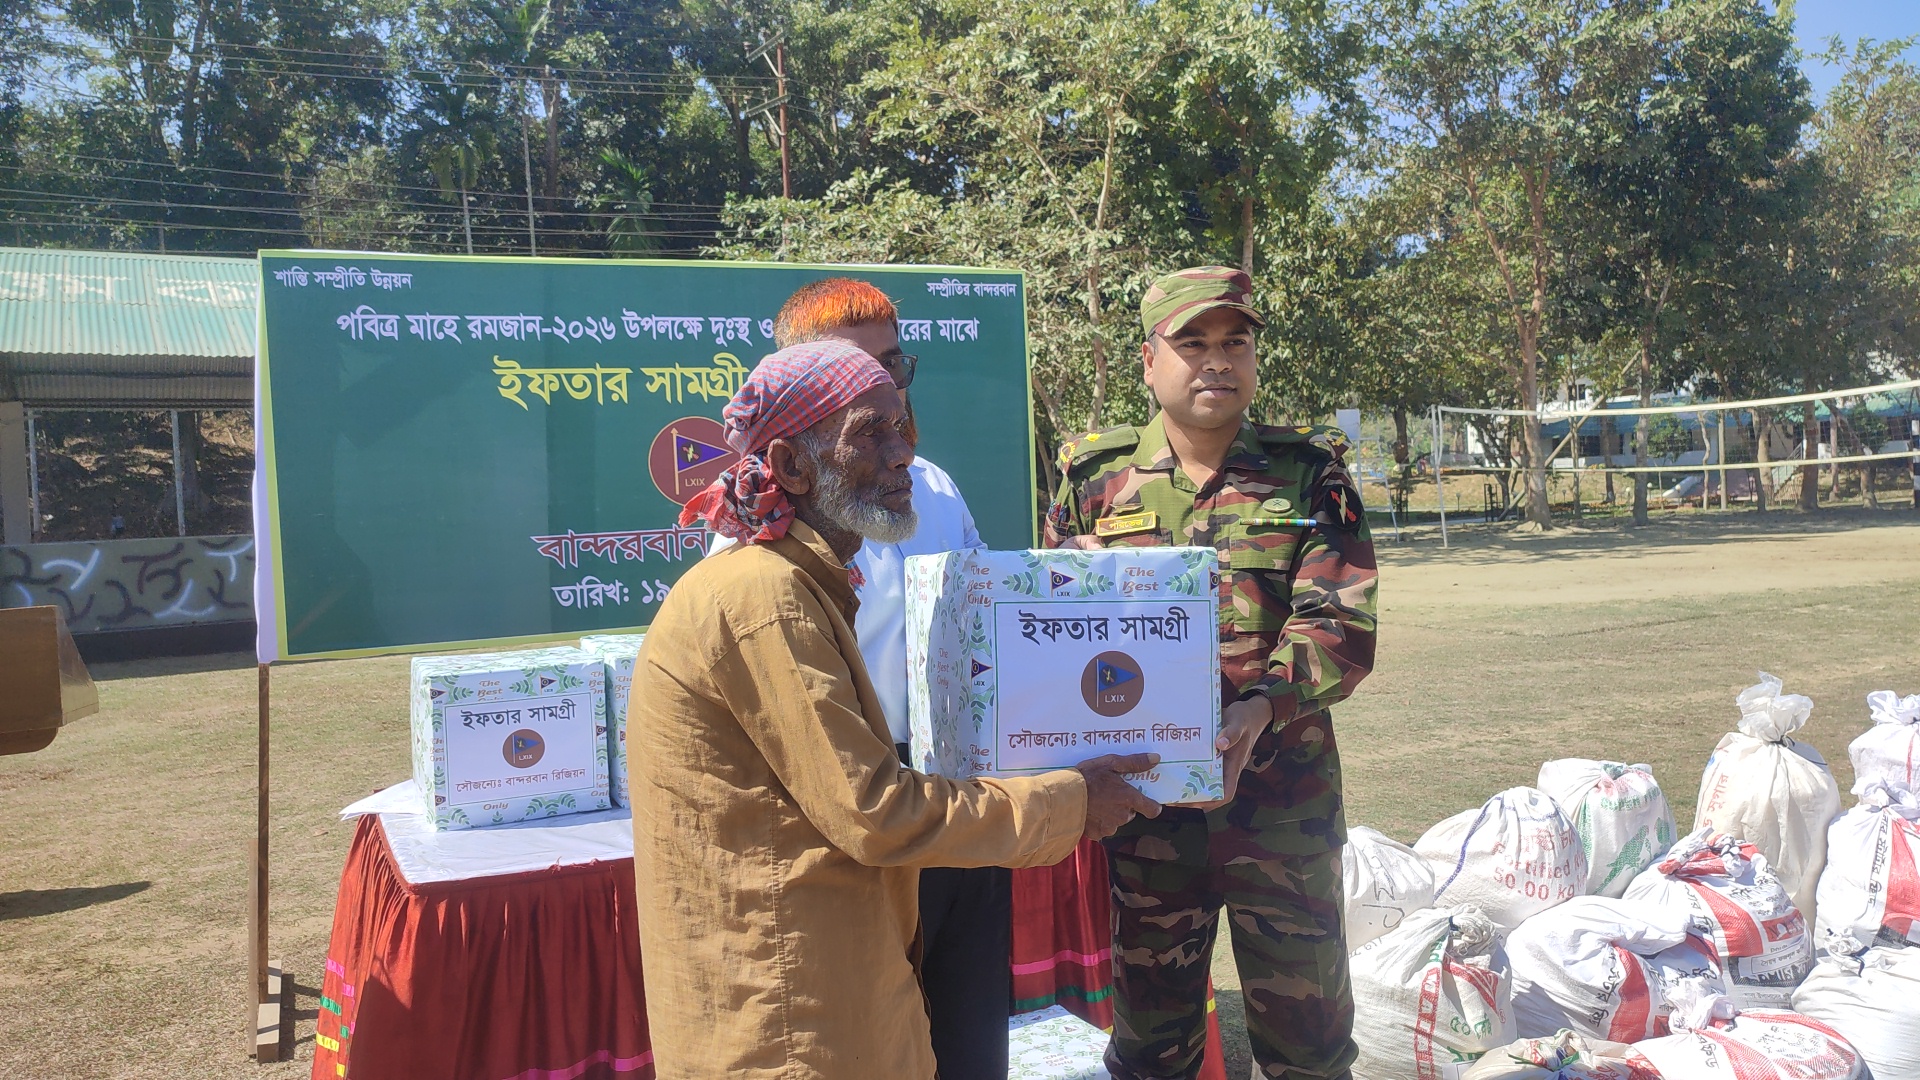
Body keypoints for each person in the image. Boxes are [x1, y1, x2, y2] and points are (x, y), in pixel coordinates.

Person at [631, 339, 1162, 1080]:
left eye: (902, 425)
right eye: (870, 433)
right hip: (791, 1011)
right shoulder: (763, 599)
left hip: (833, 975)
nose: (903, 452)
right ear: (790, 466)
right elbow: (874, 809)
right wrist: (1070, 800)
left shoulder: (800, 584)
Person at [1044, 266, 1379, 1080]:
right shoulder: (1095, 481)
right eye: (1192, 343)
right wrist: (1068, 578)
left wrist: (1258, 711)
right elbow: (1049, 633)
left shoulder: (1310, 474)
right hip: (1146, 811)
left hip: (1282, 812)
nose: (1216, 361)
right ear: (1149, 359)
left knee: (1310, 1051)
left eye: (1235, 342)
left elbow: (1339, 623)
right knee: (1152, 1051)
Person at [772, 278, 1012, 1079]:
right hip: (849, 819)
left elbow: (986, 621)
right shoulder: (760, 526)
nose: (883, 396)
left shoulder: (934, 486)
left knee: (970, 1044)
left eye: (892, 371)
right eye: (853, 372)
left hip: (956, 801)